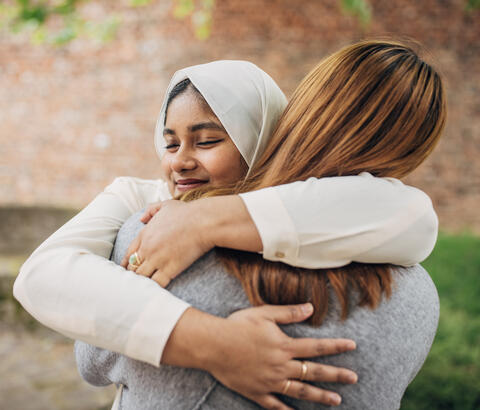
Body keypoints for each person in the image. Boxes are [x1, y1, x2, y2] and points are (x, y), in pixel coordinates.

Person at [14, 50, 439, 408]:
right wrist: (219, 344)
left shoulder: (156, 231)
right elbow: (42, 275)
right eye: (169, 142)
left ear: (263, 136)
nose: (179, 161)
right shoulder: (141, 201)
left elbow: (93, 358)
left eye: (207, 141)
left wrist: (204, 220)